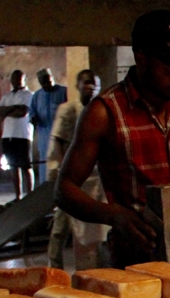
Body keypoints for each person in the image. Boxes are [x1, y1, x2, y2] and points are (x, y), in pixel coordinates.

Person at [55, 9, 170, 268]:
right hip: (136, 257)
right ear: (142, 59)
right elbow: (64, 190)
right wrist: (114, 215)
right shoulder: (104, 113)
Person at [47, 69, 106, 269]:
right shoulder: (69, 110)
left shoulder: (100, 111)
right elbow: (58, 141)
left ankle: (91, 269)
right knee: (60, 227)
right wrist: (62, 173)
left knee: (91, 231)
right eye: (87, 83)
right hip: (71, 177)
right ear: (78, 85)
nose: (91, 88)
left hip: (93, 180)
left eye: (94, 84)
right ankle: (54, 268)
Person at [0, 70, 34, 200]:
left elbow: (23, 112)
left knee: (26, 166)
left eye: (19, 78)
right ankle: (18, 196)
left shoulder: (29, 95)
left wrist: (8, 110)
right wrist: (14, 108)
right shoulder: (7, 96)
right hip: (8, 135)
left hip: (23, 135)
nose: (16, 81)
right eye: (13, 79)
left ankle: (30, 195)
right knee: (13, 166)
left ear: (23, 79)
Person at [29, 68, 68, 184]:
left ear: (52, 78)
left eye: (48, 81)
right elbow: (32, 113)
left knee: (61, 164)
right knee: (45, 166)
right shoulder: (37, 96)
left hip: (61, 136)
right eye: (43, 82)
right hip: (44, 137)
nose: (46, 84)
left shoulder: (64, 92)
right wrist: (33, 119)